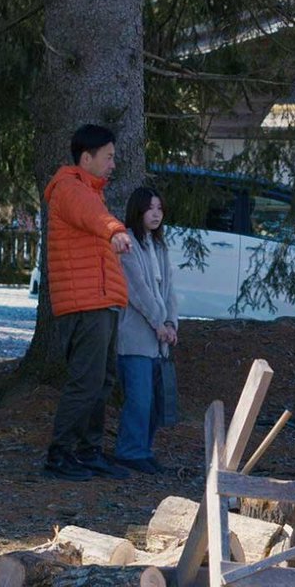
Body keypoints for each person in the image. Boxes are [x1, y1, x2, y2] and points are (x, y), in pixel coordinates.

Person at [42, 124, 132, 481]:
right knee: (86, 381)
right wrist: (116, 230)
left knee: (102, 380)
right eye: (108, 157)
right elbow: (95, 219)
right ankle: (59, 455)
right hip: (85, 305)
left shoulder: (90, 191)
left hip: (99, 302)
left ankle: (88, 451)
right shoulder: (70, 187)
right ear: (86, 158)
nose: (113, 163)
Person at [114, 186, 178, 474]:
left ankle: (143, 449)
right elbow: (136, 290)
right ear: (138, 210)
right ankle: (129, 450)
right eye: (150, 208)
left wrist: (171, 324)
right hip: (136, 336)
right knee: (138, 398)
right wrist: (159, 323)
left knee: (154, 401)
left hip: (158, 337)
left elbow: (169, 290)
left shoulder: (159, 246)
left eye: (160, 208)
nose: (156, 213)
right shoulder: (127, 244)